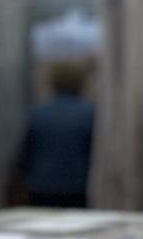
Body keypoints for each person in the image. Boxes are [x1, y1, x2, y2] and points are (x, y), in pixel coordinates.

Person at [17, 60, 96, 208]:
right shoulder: (90, 114)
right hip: (76, 186)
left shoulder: (37, 113)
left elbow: (25, 153)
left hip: (40, 185)